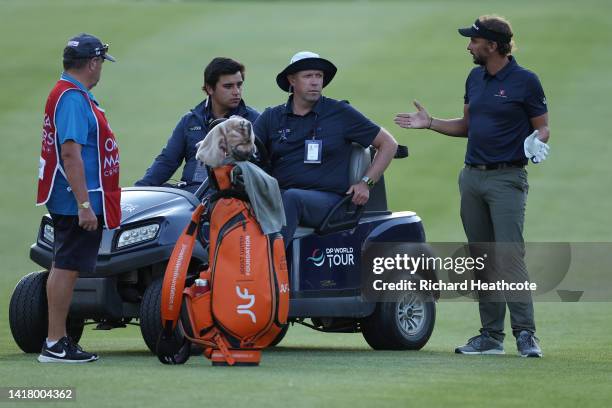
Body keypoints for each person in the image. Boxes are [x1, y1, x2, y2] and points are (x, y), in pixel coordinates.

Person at [394, 15, 550, 357]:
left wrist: (536, 142)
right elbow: (467, 125)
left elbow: (542, 127)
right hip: (472, 177)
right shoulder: (474, 78)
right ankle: (491, 337)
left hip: (507, 178)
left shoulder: (525, 81)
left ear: (492, 45)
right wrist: (431, 123)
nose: (468, 45)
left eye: (474, 41)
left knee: (509, 255)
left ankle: (526, 334)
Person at [36, 33, 121, 363]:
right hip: (75, 200)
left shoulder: (69, 93)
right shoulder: (72, 98)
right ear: (93, 63)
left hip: (71, 197)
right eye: (100, 63)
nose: (101, 70)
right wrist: (84, 204)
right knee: (67, 267)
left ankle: (56, 340)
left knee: (65, 265)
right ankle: (55, 342)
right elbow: (70, 154)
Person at [254, 51, 398, 246]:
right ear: (292, 80)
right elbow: (247, 151)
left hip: (330, 202)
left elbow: (389, 144)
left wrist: (366, 183)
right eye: (308, 76)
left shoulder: (340, 112)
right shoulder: (271, 117)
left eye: (319, 76)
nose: (315, 82)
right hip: (280, 197)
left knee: (292, 198)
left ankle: (270, 270)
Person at [135, 57, 259, 192]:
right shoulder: (189, 121)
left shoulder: (254, 121)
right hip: (190, 199)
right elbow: (166, 162)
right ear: (210, 88)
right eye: (228, 86)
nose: (236, 91)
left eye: (239, 85)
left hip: (230, 201)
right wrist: (137, 191)